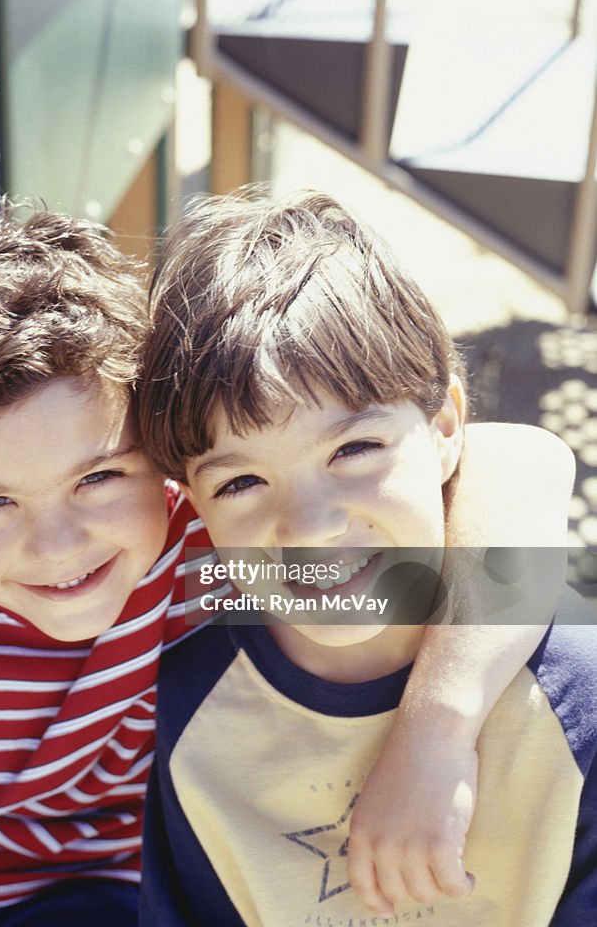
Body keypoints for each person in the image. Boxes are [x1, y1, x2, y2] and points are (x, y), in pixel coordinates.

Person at [0, 203, 573, 923]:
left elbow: (519, 461)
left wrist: (435, 730)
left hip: (105, 892)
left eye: (98, 479)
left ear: (164, 464)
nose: (58, 546)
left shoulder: (214, 553)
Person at [136, 190, 592, 925]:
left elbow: (526, 457)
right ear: (191, 498)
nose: (310, 527)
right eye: (243, 481)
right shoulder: (189, 704)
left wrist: (438, 729)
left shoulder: (577, 698)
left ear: (445, 426)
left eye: (353, 449)